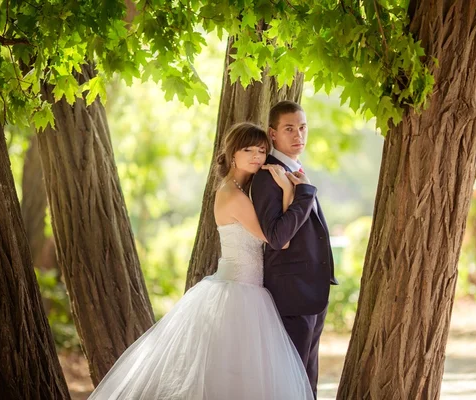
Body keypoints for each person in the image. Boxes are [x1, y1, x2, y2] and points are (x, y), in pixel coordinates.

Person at [88, 122, 316, 400]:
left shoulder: (240, 190)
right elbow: (280, 239)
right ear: (233, 153)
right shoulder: (233, 196)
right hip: (238, 291)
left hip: (248, 289)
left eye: (261, 150)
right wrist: (289, 193)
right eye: (248, 149)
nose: (257, 156)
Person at [251, 101, 338, 398]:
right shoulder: (268, 177)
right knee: (292, 378)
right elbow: (276, 237)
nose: (298, 135)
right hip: (291, 293)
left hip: (312, 291)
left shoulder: (296, 170)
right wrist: (302, 194)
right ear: (272, 134)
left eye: (302, 127)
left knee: (307, 378)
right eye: (289, 129)